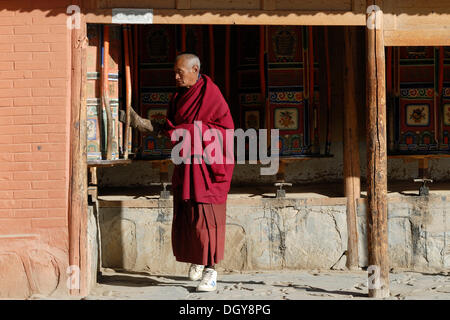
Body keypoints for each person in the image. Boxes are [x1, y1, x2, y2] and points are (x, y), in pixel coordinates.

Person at [156, 53, 235, 292]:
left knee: (206, 219)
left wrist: (188, 131)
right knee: (189, 216)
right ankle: (198, 261)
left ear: (195, 69)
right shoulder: (178, 97)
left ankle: (211, 271)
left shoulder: (210, 94)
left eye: (180, 72)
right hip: (187, 165)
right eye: (175, 72)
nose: (176, 76)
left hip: (209, 169)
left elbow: (225, 130)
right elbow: (174, 127)